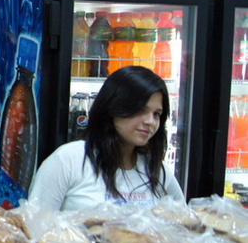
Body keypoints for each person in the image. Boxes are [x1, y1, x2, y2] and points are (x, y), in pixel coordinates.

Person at [28, 65, 184, 212]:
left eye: (156, 114)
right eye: (141, 110)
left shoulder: (157, 170)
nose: (150, 121)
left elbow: (185, 225)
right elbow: (34, 226)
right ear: (113, 107)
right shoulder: (68, 160)